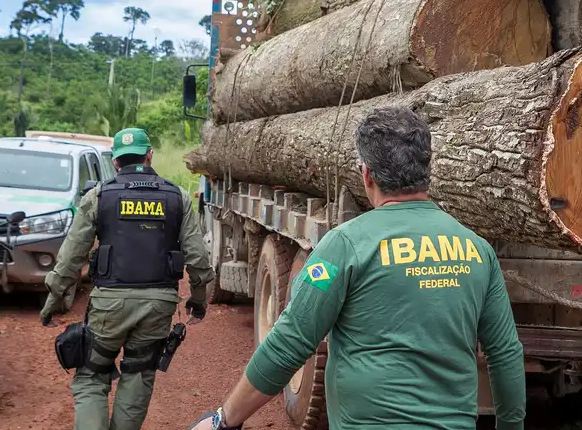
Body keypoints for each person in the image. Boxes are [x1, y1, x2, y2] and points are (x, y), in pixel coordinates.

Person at [189, 107, 526, 430]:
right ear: (427, 169)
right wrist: (511, 426)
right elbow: (505, 352)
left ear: (366, 174)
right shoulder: (477, 250)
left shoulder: (345, 246)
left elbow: (290, 342)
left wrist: (224, 419)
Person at [41, 127, 214, 430]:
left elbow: (71, 259)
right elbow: (198, 260)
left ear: (116, 162)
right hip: (159, 305)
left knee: (92, 374)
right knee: (139, 372)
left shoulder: (98, 197)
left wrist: (54, 302)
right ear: (150, 156)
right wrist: (197, 301)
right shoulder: (178, 198)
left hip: (109, 304)